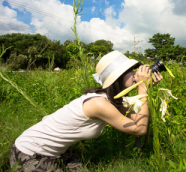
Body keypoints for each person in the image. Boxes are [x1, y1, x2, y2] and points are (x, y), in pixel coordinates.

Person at [9, 51, 163, 171]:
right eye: (131, 71)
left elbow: (137, 117)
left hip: (58, 151)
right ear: (119, 77)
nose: (136, 74)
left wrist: (145, 90)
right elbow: (140, 129)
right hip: (29, 152)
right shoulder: (99, 103)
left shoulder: (110, 99)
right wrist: (142, 89)